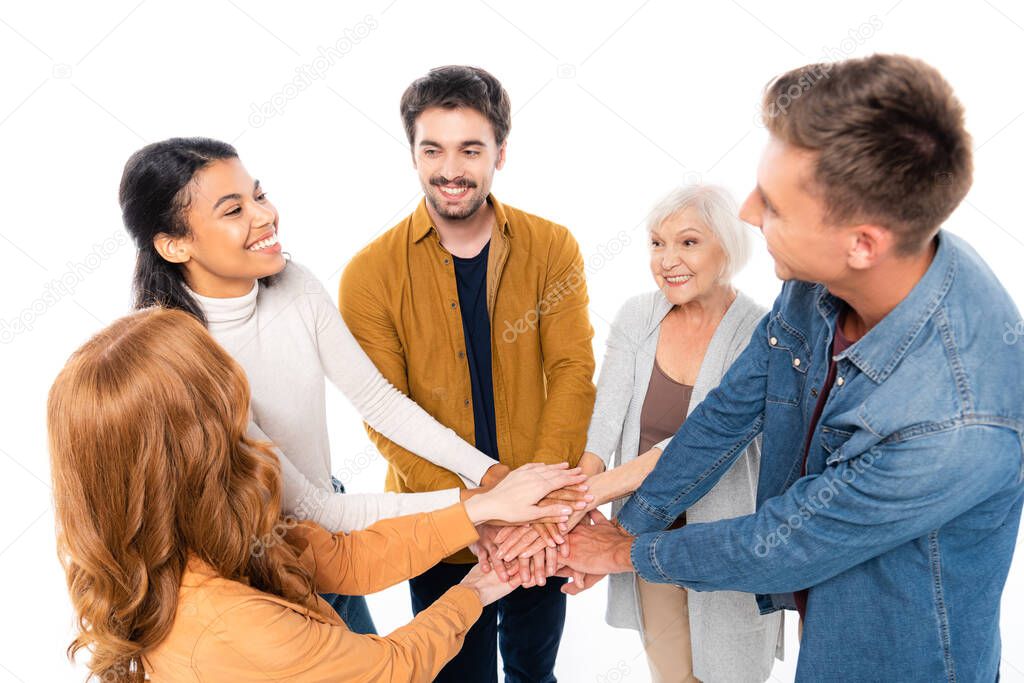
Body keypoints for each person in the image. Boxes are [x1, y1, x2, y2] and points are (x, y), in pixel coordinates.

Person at [560, 54, 1024, 681]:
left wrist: (627, 551)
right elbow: (727, 415)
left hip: (898, 658)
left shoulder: (955, 420)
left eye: (773, 205)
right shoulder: (817, 281)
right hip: (824, 620)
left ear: (863, 242)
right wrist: (624, 526)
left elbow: (782, 542)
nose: (747, 212)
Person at [118, 137, 587, 633]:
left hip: (326, 528)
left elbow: (379, 402)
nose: (264, 216)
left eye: (258, 194)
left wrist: (492, 477)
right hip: (259, 569)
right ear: (174, 244)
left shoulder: (291, 282)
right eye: (234, 209)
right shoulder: (184, 362)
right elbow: (316, 510)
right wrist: (482, 507)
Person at [47, 306, 588, 682]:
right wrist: (473, 593)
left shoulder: (208, 528)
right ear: (187, 452)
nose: (249, 426)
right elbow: (388, 669)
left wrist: (481, 510)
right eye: (229, 412)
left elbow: (343, 557)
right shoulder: (230, 624)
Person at [339, 65, 599, 682]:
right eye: (433, 149)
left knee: (534, 671)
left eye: (469, 149)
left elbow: (572, 370)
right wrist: (477, 511)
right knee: (456, 676)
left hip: (539, 521)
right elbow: (383, 411)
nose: (449, 168)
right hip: (435, 522)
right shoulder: (369, 274)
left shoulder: (552, 247)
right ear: (413, 155)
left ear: (500, 154)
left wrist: (534, 506)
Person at [567, 184, 783, 682]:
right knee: (672, 675)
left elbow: (703, 440)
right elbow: (606, 417)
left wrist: (591, 495)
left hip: (723, 539)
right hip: (645, 534)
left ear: (726, 247)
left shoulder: (759, 331)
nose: (667, 260)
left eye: (688, 242)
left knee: (730, 674)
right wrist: (582, 497)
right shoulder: (637, 316)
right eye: (657, 243)